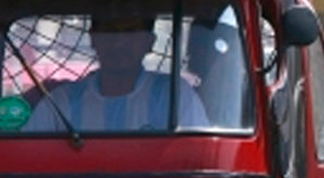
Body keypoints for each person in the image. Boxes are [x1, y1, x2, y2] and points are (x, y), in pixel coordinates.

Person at [23, 13, 209, 132]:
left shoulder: (174, 97)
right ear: (93, 39)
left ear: (149, 42)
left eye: (131, 32)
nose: (120, 42)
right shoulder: (60, 102)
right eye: (110, 32)